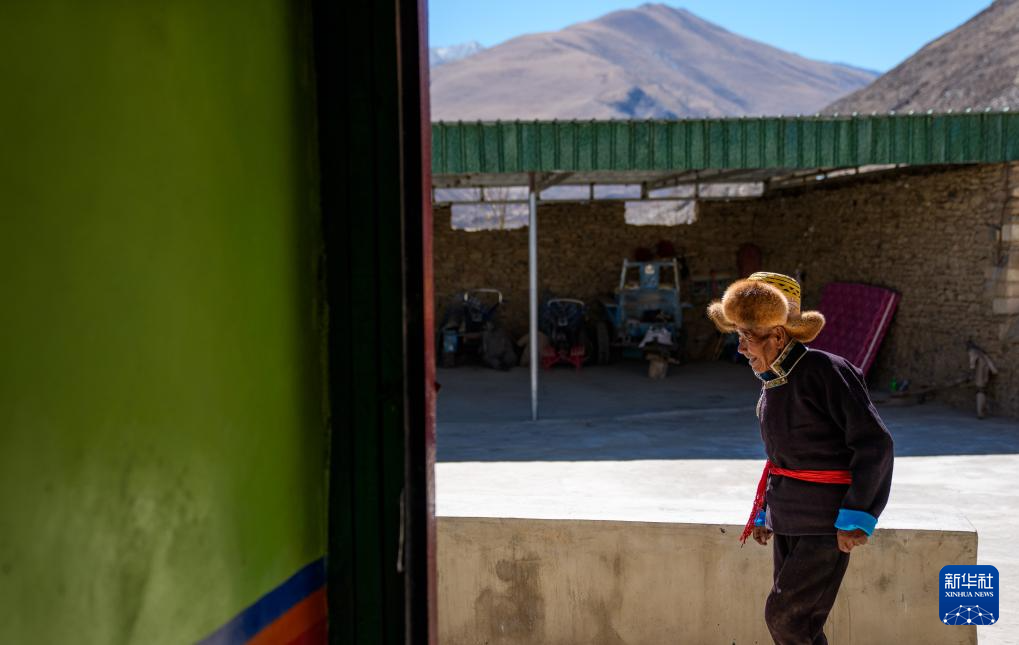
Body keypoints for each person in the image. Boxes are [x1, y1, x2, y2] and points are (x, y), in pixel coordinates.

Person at [707, 272, 894, 645]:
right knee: (798, 627)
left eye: (746, 337)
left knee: (786, 620)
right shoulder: (773, 382)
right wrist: (765, 512)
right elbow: (781, 457)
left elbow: (874, 444)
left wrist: (857, 516)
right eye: (738, 336)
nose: (740, 349)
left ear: (778, 336)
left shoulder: (827, 371)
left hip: (825, 522)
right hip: (790, 517)